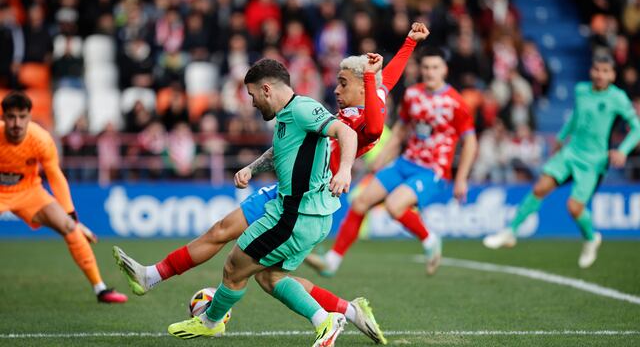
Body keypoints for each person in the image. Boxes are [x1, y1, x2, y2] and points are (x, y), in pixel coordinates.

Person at [113, 22, 429, 344]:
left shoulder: (361, 119)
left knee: (258, 271)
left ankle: (228, 318)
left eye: (343, 84)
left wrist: (345, 168)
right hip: (285, 189)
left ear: (362, 87)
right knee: (224, 234)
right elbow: (383, 81)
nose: (335, 90)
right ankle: (151, 276)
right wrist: (408, 43)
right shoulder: (335, 106)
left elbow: (373, 115)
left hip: (307, 195)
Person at [165, 59, 357, 346]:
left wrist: (344, 171)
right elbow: (281, 150)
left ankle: (211, 322)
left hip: (294, 215)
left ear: (266, 89)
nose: (253, 103)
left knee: (233, 267)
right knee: (270, 277)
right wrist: (252, 168)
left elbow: (347, 132)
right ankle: (324, 320)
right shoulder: (286, 115)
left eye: (253, 95)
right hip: (304, 216)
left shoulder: (304, 108)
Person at [307, 47, 478, 277]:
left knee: (394, 206)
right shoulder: (412, 95)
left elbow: (470, 142)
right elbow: (399, 131)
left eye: (435, 68)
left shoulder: (455, 103)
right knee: (360, 202)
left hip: (433, 169)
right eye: (426, 67)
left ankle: (430, 239)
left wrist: (461, 179)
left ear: (444, 70)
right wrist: (382, 158)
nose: (429, 72)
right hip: (405, 162)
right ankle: (333, 261)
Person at [483, 53, 640, 268]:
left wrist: (622, 151)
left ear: (613, 75)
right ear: (591, 71)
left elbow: (637, 129)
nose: (600, 75)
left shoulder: (618, 98)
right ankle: (511, 231)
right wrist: (560, 137)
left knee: (574, 208)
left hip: (593, 161)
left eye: (606, 71)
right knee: (540, 188)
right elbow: (576, 117)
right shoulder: (581, 90)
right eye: (597, 70)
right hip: (571, 152)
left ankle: (591, 238)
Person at [0, 91, 127, 303]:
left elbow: (55, 176)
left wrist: (74, 219)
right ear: (3, 118)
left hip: (29, 191)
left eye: (22, 117)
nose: (17, 123)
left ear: (29, 117)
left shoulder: (40, 139)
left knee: (70, 228)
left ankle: (101, 289)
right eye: (11, 117)